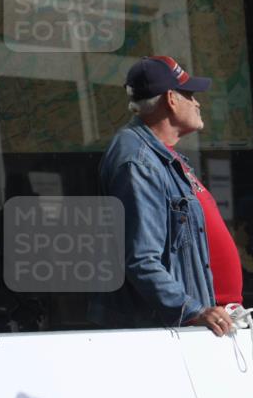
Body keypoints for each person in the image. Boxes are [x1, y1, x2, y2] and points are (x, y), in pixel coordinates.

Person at [90, 56, 240, 336]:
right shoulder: (138, 161)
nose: (197, 103)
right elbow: (141, 260)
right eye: (190, 95)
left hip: (202, 326)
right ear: (171, 98)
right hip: (177, 334)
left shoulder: (160, 156)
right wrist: (192, 310)